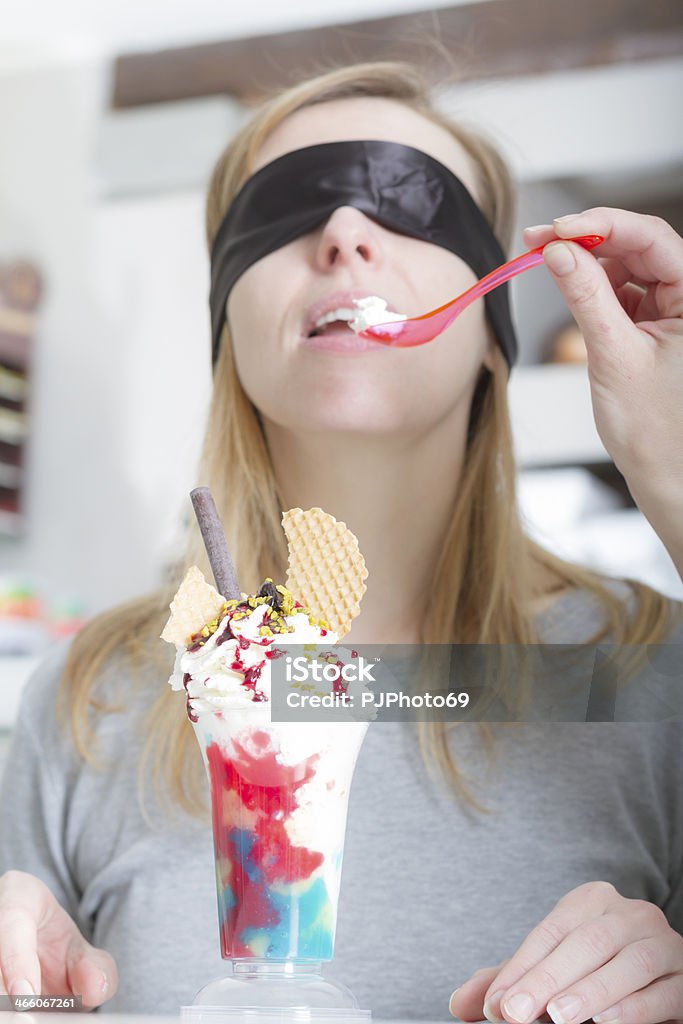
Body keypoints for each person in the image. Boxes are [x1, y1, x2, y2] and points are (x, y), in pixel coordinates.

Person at [1, 61, 682, 1024]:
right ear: (226, 324)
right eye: (283, 212)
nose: (345, 234)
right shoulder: (89, 699)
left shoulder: (647, 674)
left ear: (495, 324)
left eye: (411, 206)